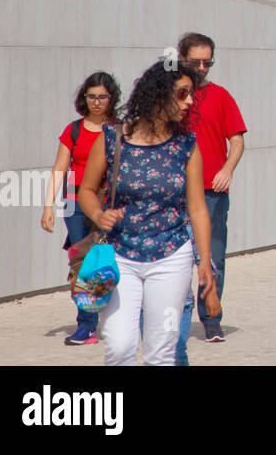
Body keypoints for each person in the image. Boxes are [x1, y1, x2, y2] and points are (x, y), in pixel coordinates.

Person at [78, 61, 216, 366]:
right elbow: (86, 191)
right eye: (182, 94)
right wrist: (99, 214)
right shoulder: (113, 138)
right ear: (159, 95)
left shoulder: (186, 145)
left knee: (162, 351)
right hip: (119, 257)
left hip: (172, 256)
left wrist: (205, 263)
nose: (190, 102)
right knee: (118, 345)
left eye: (191, 94)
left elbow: (197, 208)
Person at [173, 32, 245, 360]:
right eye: (195, 61)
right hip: (176, 192)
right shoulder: (171, 96)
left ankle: (212, 320)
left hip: (213, 193)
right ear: (181, 59)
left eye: (208, 61)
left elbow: (238, 140)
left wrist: (228, 169)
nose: (202, 67)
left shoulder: (222, 96)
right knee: (174, 259)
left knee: (212, 257)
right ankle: (172, 320)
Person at [41, 71, 122, 346]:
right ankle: (86, 325)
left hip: (109, 204)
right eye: (92, 97)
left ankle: (122, 321)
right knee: (82, 263)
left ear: (111, 99)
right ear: (83, 98)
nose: (97, 102)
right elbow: (59, 169)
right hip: (75, 204)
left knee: (111, 260)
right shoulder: (73, 130)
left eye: (102, 97)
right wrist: (48, 205)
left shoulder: (120, 129)